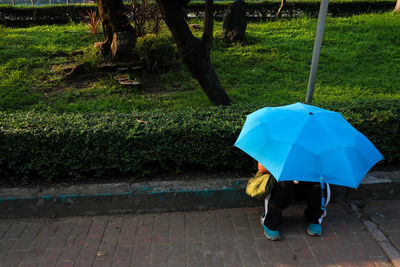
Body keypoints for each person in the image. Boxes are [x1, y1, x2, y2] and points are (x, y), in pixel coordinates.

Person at [258, 162, 331, 241]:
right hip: (285, 182)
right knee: (282, 183)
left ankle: (315, 218)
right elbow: (262, 169)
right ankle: (269, 220)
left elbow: (326, 169)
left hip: (305, 180)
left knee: (320, 183)